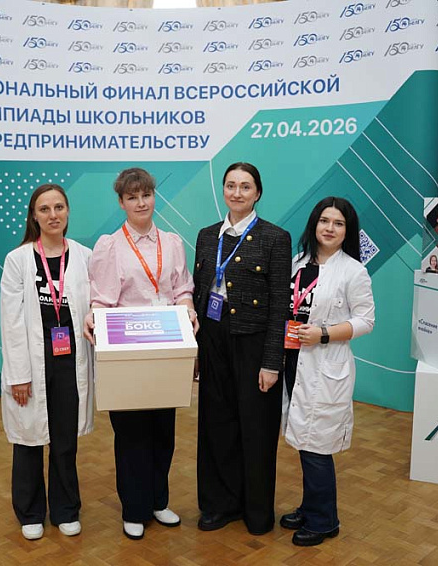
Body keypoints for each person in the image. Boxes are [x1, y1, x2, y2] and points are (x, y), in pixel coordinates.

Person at [83, 168, 196, 541]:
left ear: (154, 196)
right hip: (128, 351)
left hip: (167, 346)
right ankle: (134, 509)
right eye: (132, 197)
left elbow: (182, 288)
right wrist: (93, 315)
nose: (141, 202)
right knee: (131, 433)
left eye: (146, 195)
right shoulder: (110, 246)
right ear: (121, 203)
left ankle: (158, 501)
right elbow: (102, 299)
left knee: (164, 431)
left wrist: (188, 309)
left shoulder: (173, 242)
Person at [192, 162, 291, 536]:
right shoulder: (207, 236)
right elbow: (199, 295)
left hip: (254, 344)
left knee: (256, 428)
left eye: (245, 186)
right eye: (231, 185)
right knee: (216, 424)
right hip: (213, 341)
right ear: (223, 190)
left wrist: (272, 361)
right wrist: (196, 353)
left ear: (257, 193)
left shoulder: (275, 238)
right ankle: (219, 504)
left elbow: (280, 304)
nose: (237, 193)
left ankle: (256, 510)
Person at [0, 183, 94, 541]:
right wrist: (18, 375)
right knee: (28, 439)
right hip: (31, 363)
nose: (53, 215)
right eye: (44, 209)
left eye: (59, 207)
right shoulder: (18, 260)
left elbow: (94, 306)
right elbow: (11, 322)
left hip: (71, 361)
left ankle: (66, 509)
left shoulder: (84, 256)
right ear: (34, 216)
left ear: (67, 212)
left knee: (65, 439)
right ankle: (30, 512)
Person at [280, 196, 375, 547]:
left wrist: (324, 334)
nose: (329, 228)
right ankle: (310, 508)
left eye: (338, 223)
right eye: (324, 221)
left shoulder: (353, 271)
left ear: (347, 231)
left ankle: (324, 522)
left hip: (325, 364)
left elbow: (366, 320)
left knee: (317, 444)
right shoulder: (298, 263)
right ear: (314, 224)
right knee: (304, 439)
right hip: (295, 360)